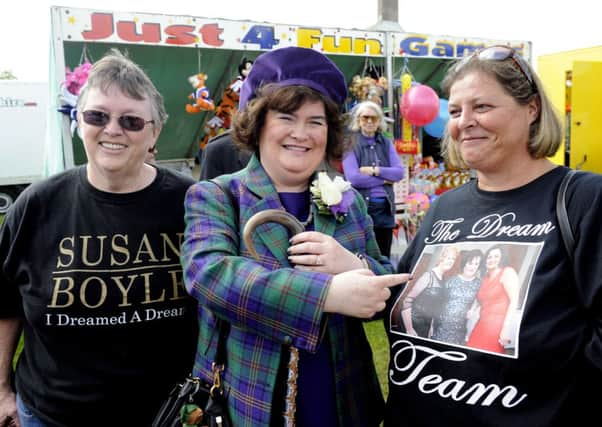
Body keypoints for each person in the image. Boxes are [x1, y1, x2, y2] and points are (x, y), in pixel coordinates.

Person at [181, 46, 409, 427]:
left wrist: (353, 265)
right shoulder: (218, 195)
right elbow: (210, 275)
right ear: (259, 124)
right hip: (249, 403)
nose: (301, 134)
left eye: (316, 122)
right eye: (286, 117)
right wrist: (327, 295)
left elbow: (385, 287)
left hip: (344, 403)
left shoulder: (348, 201)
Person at [385, 45, 602, 426]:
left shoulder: (583, 199)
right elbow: (406, 298)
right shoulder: (444, 207)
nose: (464, 121)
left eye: (482, 107)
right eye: (454, 111)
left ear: (531, 109)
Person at [0, 49, 198, 427]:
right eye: (97, 116)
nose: (112, 129)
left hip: (167, 415)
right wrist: (1, 390)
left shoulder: (192, 203)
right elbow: (4, 306)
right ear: (79, 120)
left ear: (154, 131)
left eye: (131, 121)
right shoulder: (36, 205)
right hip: (53, 415)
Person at [343, 100, 405, 258]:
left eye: (374, 118)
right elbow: (354, 178)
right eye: (365, 118)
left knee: (384, 255)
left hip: (385, 209)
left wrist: (374, 170)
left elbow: (398, 173)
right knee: (363, 256)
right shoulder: (350, 143)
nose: (369, 121)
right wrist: (384, 179)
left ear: (379, 121)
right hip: (362, 208)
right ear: (358, 120)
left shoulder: (386, 143)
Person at [465, 244, 519, 353]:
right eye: (489, 257)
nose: (492, 259)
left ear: (501, 258)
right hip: (481, 324)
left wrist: (505, 328)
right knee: (471, 353)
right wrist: (473, 309)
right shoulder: (484, 278)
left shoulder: (507, 272)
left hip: (496, 327)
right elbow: (481, 299)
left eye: (496, 256)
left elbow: (514, 300)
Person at [399, 246, 458, 338]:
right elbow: (407, 301)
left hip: (425, 325)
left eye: (453, 259)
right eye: (448, 258)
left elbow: (434, 306)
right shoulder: (428, 276)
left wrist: (431, 326)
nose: (451, 261)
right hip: (412, 323)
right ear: (441, 258)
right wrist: (409, 329)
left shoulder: (442, 279)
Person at [431, 249, 484, 344]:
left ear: (479, 267)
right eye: (470, 263)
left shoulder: (479, 284)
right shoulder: (451, 280)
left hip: (459, 330)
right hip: (441, 326)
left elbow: (482, 300)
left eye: (476, 264)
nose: (472, 267)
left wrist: (474, 309)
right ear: (465, 263)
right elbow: (437, 303)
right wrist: (431, 325)